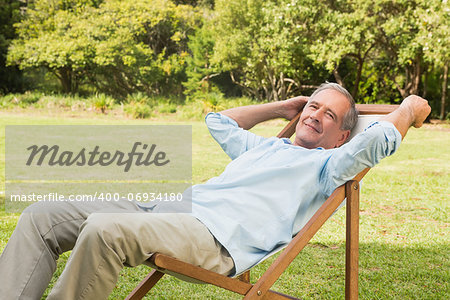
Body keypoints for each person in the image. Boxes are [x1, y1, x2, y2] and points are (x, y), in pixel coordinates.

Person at [0, 83, 431, 299]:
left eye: (330, 115)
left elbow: (375, 141)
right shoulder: (265, 147)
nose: (315, 115)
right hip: (166, 211)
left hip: (212, 236)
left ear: (340, 137)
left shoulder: (328, 166)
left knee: (103, 229)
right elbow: (218, 121)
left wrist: (408, 109)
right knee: (42, 216)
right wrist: (282, 107)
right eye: (313, 106)